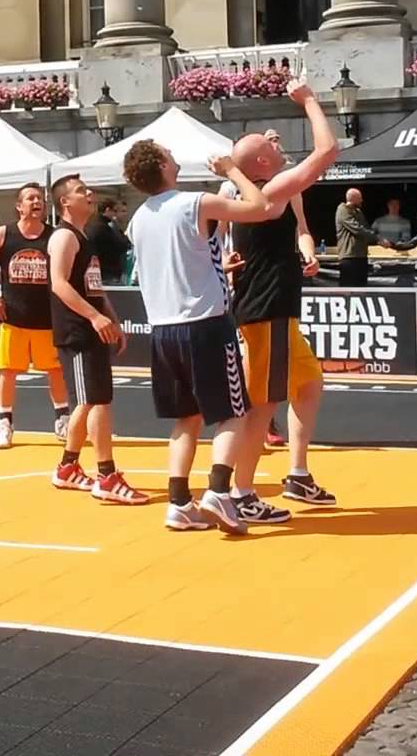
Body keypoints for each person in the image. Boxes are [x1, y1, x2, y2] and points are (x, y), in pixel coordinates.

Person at [125, 132, 289, 534]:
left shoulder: (138, 219)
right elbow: (262, 206)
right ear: (161, 165)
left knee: (186, 418)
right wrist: (232, 170)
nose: (175, 156)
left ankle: (179, 502)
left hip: (163, 330)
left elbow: (178, 261)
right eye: (169, 152)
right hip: (204, 324)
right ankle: (219, 489)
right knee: (234, 412)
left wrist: (216, 268)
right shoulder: (193, 202)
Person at [218, 90, 342, 521]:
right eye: (270, 144)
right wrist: (307, 100)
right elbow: (327, 150)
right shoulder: (272, 190)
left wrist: (305, 251)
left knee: (308, 383)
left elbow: (297, 226)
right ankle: (242, 492)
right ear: (265, 165)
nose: (276, 140)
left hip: (274, 308)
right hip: (265, 310)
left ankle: (297, 473)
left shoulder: (260, 193)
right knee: (264, 404)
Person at [45, 174, 146, 505]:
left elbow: (93, 285)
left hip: (91, 327)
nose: (89, 194)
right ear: (65, 202)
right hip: (76, 330)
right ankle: (107, 475)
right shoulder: (63, 237)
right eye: (80, 191)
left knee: (92, 400)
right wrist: (94, 316)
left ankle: (68, 467)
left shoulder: (83, 237)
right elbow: (59, 284)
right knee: (96, 401)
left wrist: (111, 317)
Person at [0, 184, 72, 449]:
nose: (36, 202)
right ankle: (4, 421)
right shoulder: (5, 234)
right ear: (19, 206)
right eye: (30, 198)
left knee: (55, 371)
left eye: (40, 198)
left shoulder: (55, 236)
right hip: (14, 317)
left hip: (47, 318)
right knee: (8, 371)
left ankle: (63, 418)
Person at [334, 189, 377, 287]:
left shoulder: (358, 212)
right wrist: (378, 239)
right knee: (348, 288)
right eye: (359, 198)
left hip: (361, 256)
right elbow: (357, 229)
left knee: (361, 287)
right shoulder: (342, 210)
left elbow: (366, 229)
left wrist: (376, 238)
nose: (361, 200)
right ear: (352, 198)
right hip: (349, 256)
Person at [86, 199, 133, 286]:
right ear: (107, 210)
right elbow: (121, 245)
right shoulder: (104, 227)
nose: (115, 214)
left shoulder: (91, 225)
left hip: (95, 271)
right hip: (108, 272)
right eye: (114, 211)